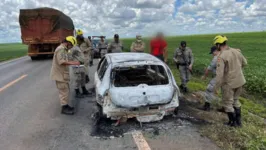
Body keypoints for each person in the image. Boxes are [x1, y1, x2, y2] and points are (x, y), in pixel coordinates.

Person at [213, 35, 247, 127]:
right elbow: (245, 63)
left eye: (216, 45)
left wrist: (216, 87)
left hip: (229, 84)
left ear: (218, 45)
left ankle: (232, 123)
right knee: (236, 101)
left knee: (228, 103)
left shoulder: (221, 56)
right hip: (240, 81)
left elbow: (219, 75)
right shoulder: (236, 51)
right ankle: (239, 123)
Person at [50, 36, 80, 115]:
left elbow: (66, 60)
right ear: (68, 43)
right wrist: (74, 63)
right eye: (71, 46)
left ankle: (66, 106)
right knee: (64, 91)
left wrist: (73, 62)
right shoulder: (61, 49)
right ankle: (64, 108)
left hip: (62, 74)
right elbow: (61, 61)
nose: (71, 48)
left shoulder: (64, 49)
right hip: (60, 75)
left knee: (66, 90)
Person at [201, 46, 220, 111]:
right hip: (225, 77)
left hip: (218, 77)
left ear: (216, 51)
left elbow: (209, 69)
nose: (212, 54)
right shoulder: (224, 55)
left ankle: (207, 106)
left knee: (209, 89)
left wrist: (204, 76)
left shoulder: (216, 58)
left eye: (212, 52)